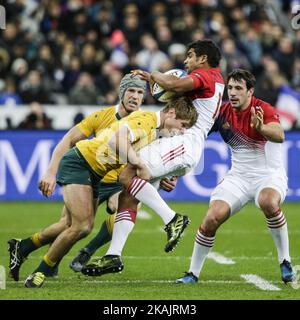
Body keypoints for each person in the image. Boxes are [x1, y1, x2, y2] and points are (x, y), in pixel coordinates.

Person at [15, 91, 197, 288]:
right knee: (81, 225)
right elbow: (115, 140)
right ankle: (39, 272)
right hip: (80, 163)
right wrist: (139, 164)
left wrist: (162, 179)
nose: (182, 131)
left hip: (95, 172)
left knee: (79, 226)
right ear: (170, 113)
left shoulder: (154, 129)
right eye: (183, 125)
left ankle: (24, 248)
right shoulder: (147, 120)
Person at [81, 39, 225, 277]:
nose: (186, 60)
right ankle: (113, 256)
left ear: (203, 59)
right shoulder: (212, 82)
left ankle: (173, 219)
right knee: (129, 195)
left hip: (183, 139)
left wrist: (152, 75)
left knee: (128, 173)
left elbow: (173, 84)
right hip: (179, 141)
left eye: (190, 55)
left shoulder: (207, 75)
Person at [7, 74, 148, 282]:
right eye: (131, 91)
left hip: (119, 181)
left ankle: (87, 251)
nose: (135, 97)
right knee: (69, 224)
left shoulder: (144, 122)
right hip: (91, 176)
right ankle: (25, 247)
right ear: (121, 93)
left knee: (128, 210)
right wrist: (50, 172)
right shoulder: (101, 116)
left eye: (140, 92)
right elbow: (69, 140)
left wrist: (168, 177)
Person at [175, 69, 296, 284]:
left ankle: (285, 260)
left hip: (268, 176)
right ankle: (192, 273)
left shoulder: (263, 109)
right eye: (230, 88)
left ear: (250, 91)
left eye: (238, 88)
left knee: (267, 201)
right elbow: (197, 131)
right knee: (212, 218)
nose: (232, 92)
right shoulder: (222, 112)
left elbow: (279, 135)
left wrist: (261, 128)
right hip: (238, 178)